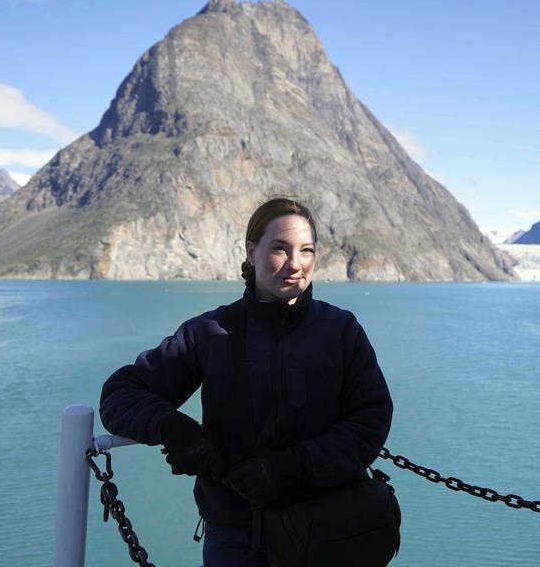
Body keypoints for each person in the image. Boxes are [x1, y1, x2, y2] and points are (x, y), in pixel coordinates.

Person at [99, 197, 394, 566]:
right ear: (252, 252)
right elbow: (120, 394)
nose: (295, 264)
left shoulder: (341, 330)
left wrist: (289, 468)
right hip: (238, 539)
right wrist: (175, 429)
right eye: (279, 249)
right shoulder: (209, 333)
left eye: (306, 251)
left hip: (330, 529)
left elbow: (370, 420)